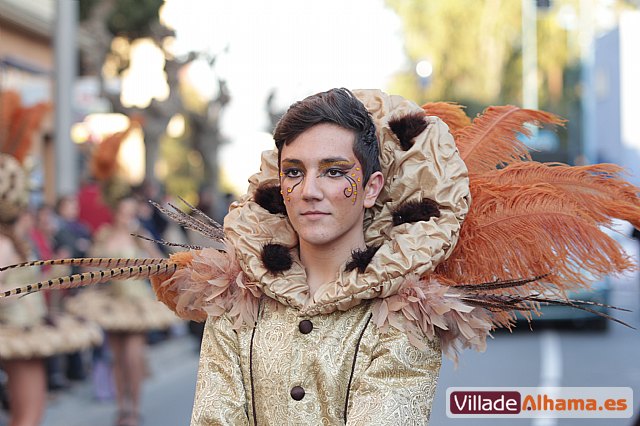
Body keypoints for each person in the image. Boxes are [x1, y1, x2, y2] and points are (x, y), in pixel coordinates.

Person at [190, 88, 468, 424]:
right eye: (294, 172)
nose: (309, 191)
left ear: (371, 188)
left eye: (333, 171)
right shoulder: (237, 300)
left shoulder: (403, 317)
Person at [0, 153, 102, 426]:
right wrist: (25, 288)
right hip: (16, 331)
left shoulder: (15, 242)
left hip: (29, 326)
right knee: (27, 415)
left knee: (30, 411)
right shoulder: (4, 244)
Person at [64, 196, 178, 426]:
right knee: (116, 358)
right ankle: (122, 408)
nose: (127, 217)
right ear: (116, 212)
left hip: (136, 303)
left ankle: (134, 409)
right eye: (123, 212)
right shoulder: (104, 235)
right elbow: (88, 267)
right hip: (113, 303)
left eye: (131, 213)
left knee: (133, 358)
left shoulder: (139, 236)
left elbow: (161, 264)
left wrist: (146, 250)